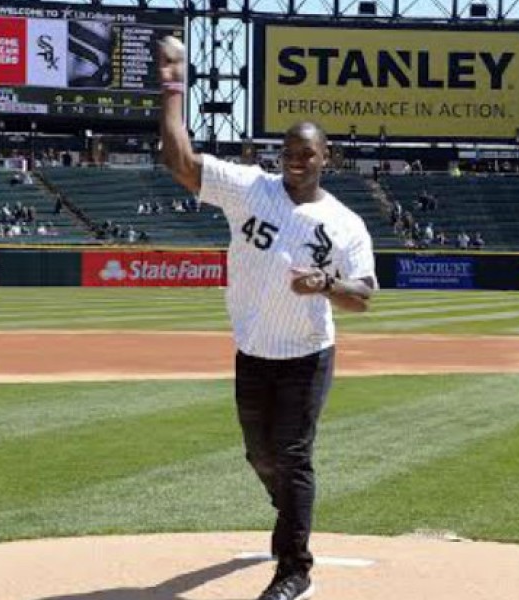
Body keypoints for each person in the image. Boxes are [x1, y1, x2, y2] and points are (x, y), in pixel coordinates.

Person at [159, 38, 377, 600]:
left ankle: (294, 570)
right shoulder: (250, 188)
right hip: (253, 351)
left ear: (327, 157)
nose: (295, 160)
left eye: (306, 153)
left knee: (293, 455)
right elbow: (179, 161)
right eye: (288, 150)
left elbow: (364, 296)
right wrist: (173, 87)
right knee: (261, 456)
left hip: (307, 355)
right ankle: (289, 513)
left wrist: (326, 284)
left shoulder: (345, 223)